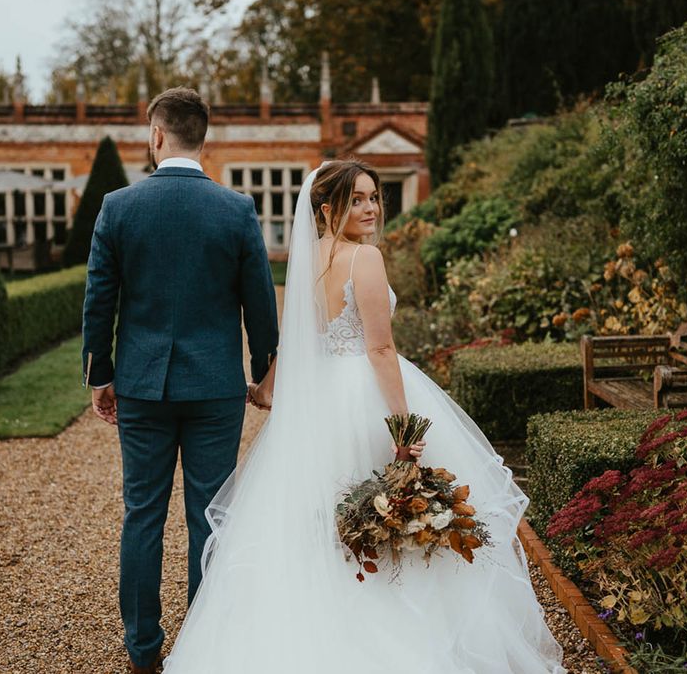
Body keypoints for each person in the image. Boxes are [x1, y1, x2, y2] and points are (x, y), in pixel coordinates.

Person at [163, 160, 566, 673]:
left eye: (374, 197)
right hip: (364, 397)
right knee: (383, 512)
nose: (371, 207)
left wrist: (268, 387)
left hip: (319, 406)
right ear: (328, 208)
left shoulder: (310, 262)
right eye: (356, 199)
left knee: (330, 519)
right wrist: (404, 428)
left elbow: (301, 340)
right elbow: (379, 349)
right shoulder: (364, 259)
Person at [81, 87, 279, 674]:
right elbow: (261, 305)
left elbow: (99, 301)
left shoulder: (118, 207)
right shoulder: (237, 209)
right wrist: (262, 371)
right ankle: (204, 645)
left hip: (140, 386)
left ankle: (143, 650)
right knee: (208, 515)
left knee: (141, 514)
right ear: (204, 137)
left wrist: (101, 374)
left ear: (157, 135)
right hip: (216, 388)